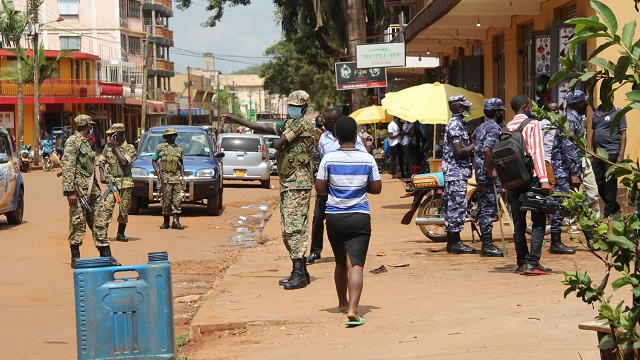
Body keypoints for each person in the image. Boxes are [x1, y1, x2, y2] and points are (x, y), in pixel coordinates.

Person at [223, 90, 316, 290]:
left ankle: (299, 272)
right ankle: (300, 272)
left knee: (294, 227)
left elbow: (278, 142)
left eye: (296, 107)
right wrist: (238, 120)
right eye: (290, 106)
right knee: (289, 225)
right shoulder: (291, 123)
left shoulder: (301, 124)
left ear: (304, 109)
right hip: (290, 182)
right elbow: (263, 126)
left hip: (298, 183)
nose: (292, 109)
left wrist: (275, 143)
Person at [315, 116, 382, 326]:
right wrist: (361, 187)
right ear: (356, 135)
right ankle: (353, 310)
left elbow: (320, 188)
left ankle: (342, 303)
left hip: (334, 217)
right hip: (359, 217)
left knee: (339, 261)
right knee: (356, 265)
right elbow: (377, 188)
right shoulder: (367, 159)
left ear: (336, 137)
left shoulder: (328, 159)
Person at [307, 108, 368, 265]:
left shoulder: (356, 139)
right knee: (318, 217)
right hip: (326, 185)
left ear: (332, 122)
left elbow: (362, 157)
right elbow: (321, 159)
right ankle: (315, 251)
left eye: (325, 121)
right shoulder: (324, 138)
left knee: (345, 215)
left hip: (346, 185)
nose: (323, 123)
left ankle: (348, 248)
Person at [62, 114, 120, 269]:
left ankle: (106, 255)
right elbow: (68, 167)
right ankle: (76, 257)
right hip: (78, 190)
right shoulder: (72, 142)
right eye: (90, 126)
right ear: (88, 126)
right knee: (77, 222)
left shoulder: (86, 142)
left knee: (99, 220)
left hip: (92, 189)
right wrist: (70, 192)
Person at [506, 95, 551, 275]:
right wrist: (544, 178)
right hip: (531, 179)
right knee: (538, 220)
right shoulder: (533, 124)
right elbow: (537, 153)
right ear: (525, 107)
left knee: (519, 224)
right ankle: (533, 262)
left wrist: (506, 185)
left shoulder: (507, 127)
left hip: (514, 180)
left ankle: (521, 262)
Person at [549, 91, 586, 255]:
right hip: (564, 170)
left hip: (568, 168)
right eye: (584, 101)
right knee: (562, 204)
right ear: (578, 102)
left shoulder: (574, 117)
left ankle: (591, 239)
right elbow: (569, 148)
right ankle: (555, 242)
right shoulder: (570, 119)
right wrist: (574, 173)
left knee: (579, 202)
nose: (586, 104)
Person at [471, 98, 505, 257]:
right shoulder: (494, 129)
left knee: (485, 205)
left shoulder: (482, 126)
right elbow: (487, 150)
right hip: (488, 173)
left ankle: (487, 242)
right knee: (488, 208)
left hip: (479, 171)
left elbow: (473, 138)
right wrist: (491, 170)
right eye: (502, 111)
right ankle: (487, 244)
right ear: (498, 112)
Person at [443, 95, 476, 254]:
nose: (467, 109)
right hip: (456, 172)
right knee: (457, 207)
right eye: (464, 106)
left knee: (452, 208)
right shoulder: (456, 124)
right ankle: (456, 243)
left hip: (455, 172)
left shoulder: (458, 123)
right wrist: (473, 145)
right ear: (458, 108)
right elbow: (460, 150)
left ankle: (451, 243)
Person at [93, 123, 136, 244]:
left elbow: (124, 162)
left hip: (125, 183)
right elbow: (101, 162)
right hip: (112, 184)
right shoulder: (108, 147)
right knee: (106, 208)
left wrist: (116, 147)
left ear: (119, 135)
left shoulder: (130, 148)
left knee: (124, 210)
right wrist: (102, 174)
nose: (110, 137)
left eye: (112, 135)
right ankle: (103, 234)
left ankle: (121, 233)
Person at [591, 99, 627, 217]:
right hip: (597, 153)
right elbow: (594, 132)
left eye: (610, 96)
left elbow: (623, 134)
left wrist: (620, 155)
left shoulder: (618, 112)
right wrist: (591, 151)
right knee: (598, 182)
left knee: (610, 183)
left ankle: (608, 213)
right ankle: (615, 207)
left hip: (611, 152)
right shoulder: (595, 112)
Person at [152, 128, 186, 230]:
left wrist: (183, 177)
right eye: (171, 135)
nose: (173, 137)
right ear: (166, 137)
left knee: (177, 200)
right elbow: (154, 160)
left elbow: (181, 164)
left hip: (176, 178)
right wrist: (158, 173)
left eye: (174, 135)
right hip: (165, 178)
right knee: (166, 201)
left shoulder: (179, 149)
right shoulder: (160, 148)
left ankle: (176, 221)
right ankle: (166, 222)